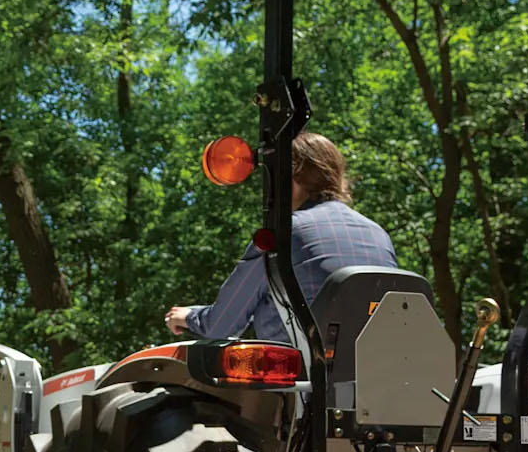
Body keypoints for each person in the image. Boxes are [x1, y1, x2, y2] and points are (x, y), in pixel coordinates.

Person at [166, 132, 399, 342]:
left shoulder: (286, 232)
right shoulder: (379, 233)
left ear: (292, 174)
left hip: (301, 381)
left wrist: (188, 316)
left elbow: (221, 325)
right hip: (379, 375)